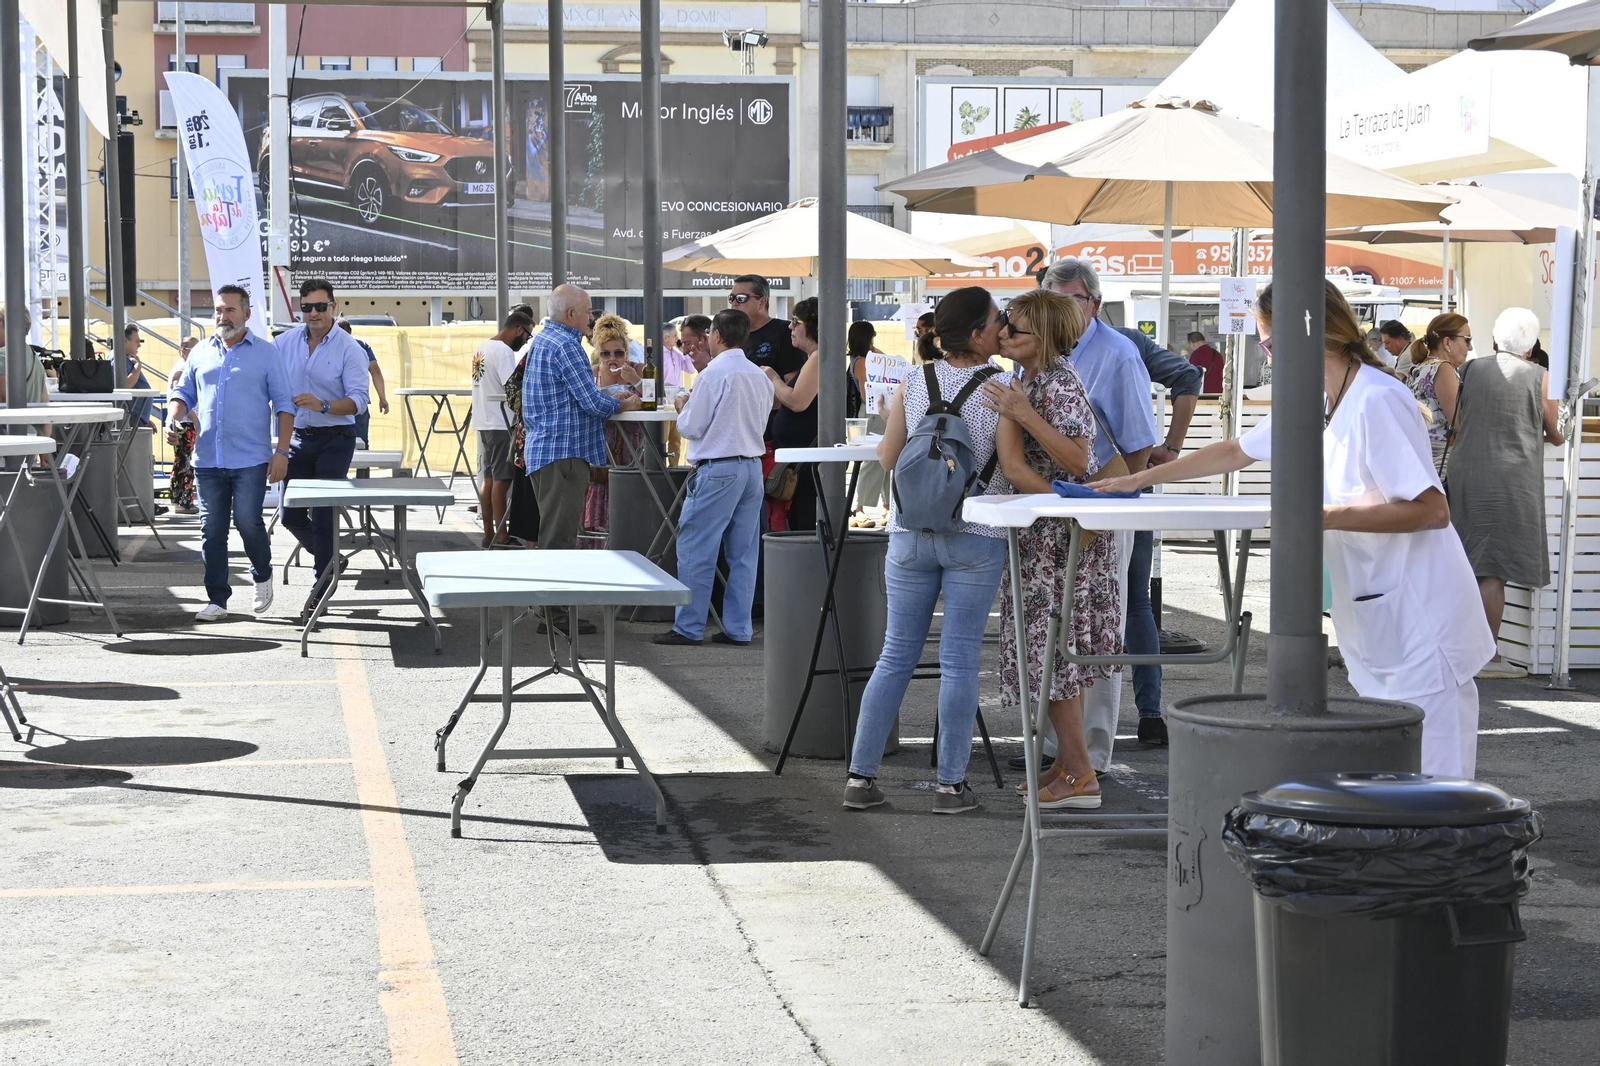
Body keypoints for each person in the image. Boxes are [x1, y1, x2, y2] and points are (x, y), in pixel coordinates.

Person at [1094, 280, 1495, 777]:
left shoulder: (1376, 399)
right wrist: (1138, 479)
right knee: (1398, 781)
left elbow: (1432, 510)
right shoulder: (1316, 400)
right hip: (1374, 612)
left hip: (1421, 619)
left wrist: (1320, 518)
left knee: (1437, 785)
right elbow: (1237, 450)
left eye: (1267, 342)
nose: (1266, 356)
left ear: (1303, 334)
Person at [843, 287, 1012, 815]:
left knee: (895, 656)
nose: (1003, 328)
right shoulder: (1005, 387)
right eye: (996, 321)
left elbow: (889, 457)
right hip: (976, 535)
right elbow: (1010, 464)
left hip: (910, 535)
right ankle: (949, 787)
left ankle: (860, 779)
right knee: (961, 662)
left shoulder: (915, 382)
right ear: (980, 333)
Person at [986, 290, 1120, 808]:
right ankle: (1068, 764)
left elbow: (1079, 460)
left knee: (1055, 658)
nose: (1003, 333)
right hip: (1052, 535)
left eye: (1013, 328)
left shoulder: (1055, 384)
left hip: (1062, 539)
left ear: (1041, 337)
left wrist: (1023, 413)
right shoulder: (1036, 380)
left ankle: (1080, 774)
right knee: (1056, 657)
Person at [1042, 258, 1159, 774]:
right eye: (1052, 299)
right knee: (1060, 624)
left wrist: (1114, 506)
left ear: (1095, 302)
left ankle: (1092, 750)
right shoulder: (1047, 351)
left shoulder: (1117, 353)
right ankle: (1059, 746)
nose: (1061, 310)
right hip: (1054, 509)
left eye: (1070, 300)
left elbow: (1139, 443)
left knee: (1102, 627)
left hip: (1104, 507)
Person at [1447, 307, 1565, 681]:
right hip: (1511, 477)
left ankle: (1463, 646)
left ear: (1495, 339)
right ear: (1530, 347)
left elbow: (1458, 420)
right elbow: (1556, 431)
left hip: (1467, 471)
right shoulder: (1540, 376)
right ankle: (1489, 656)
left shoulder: (1468, 369)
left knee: (1468, 560)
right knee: (1493, 568)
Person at [167, 285, 295, 621]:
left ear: (246, 314)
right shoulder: (200, 352)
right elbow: (184, 392)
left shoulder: (267, 353)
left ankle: (262, 573)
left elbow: (284, 405)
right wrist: (173, 415)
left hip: (250, 458)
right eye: (219, 310)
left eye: (230, 310)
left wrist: (281, 451)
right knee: (212, 530)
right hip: (208, 458)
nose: (223, 317)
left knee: (248, 522)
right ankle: (217, 600)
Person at [653, 308, 772, 647]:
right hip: (751, 466)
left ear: (716, 336)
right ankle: (738, 627)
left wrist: (682, 406)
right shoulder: (758, 374)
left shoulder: (712, 375)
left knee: (696, 549)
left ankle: (689, 627)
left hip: (719, 467)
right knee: (744, 554)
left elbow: (691, 426)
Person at [1110, 324, 1204, 745]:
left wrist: (1172, 447)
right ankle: (1148, 714)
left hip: (1105, 481)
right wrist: (1171, 447)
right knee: (1134, 601)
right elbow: (1188, 376)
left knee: (1127, 601)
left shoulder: (1120, 340)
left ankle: (1138, 715)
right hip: (1128, 477)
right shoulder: (1126, 339)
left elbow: (1188, 376)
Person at [523, 284, 642, 574]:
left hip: (547, 450)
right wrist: (622, 405)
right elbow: (591, 402)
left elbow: (577, 397)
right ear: (572, 312)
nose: (591, 317)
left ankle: (553, 612)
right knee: (559, 541)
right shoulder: (567, 345)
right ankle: (555, 615)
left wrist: (610, 399)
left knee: (555, 536)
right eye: (588, 311)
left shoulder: (544, 339)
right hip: (563, 454)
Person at [276, 278, 372, 612]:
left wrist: (325, 405)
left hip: (336, 439)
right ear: (299, 308)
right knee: (289, 515)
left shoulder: (349, 348)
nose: (314, 313)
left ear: (334, 306)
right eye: (307, 307)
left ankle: (320, 590)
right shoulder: (284, 343)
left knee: (323, 515)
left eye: (320, 306)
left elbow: (360, 401)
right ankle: (331, 561)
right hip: (300, 438)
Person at [471, 310, 535, 547]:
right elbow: (514, 387)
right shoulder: (504, 352)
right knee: (503, 481)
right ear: (519, 329)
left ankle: (490, 532)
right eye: (527, 335)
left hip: (485, 421)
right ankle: (502, 535)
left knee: (489, 480)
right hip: (502, 424)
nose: (526, 341)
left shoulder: (483, 347)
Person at [581, 314, 644, 545]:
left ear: (626, 353)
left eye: (618, 353)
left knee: (628, 492)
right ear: (598, 353)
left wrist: (636, 381)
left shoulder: (639, 369)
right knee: (599, 494)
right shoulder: (593, 373)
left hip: (632, 444)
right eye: (606, 353)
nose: (612, 359)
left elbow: (657, 399)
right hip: (601, 445)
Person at [764, 297, 821, 532]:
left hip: (805, 464)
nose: (790, 327)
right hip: (799, 459)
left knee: (803, 524)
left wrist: (773, 377)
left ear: (813, 325)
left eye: (795, 321)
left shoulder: (819, 357)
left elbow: (798, 402)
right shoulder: (815, 358)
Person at [1405, 313, 1470, 469]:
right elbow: (1459, 423)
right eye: (1467, 340)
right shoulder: (1443, 368)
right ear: (1448, 342)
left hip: (1419, 454)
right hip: (1439, 460)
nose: (1470, 347)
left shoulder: (1419, 367)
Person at [849, 320, 892, 515]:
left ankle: (886, 504)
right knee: (874, 458)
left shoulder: (863, 359)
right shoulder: (861, 361)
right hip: (872, 411)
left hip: (873, 411)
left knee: (883, 457)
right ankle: (861, 505)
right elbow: (868, 392)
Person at [336, 317, 389, 448]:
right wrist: (382, 398)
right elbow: (375, 371)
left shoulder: (327, 347)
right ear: (350, 331)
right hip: (358, 402)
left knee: (334, 445)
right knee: (362, 443)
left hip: (335, 403)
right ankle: (363, 469)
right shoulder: (361, 346)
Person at [167, 336, 201, 514]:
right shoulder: (181, 370)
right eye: (191, 349)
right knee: (185, 463)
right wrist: (195, 419)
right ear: (183, 350)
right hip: (185, 424)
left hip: (186, 423)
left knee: (184, 461)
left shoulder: (184, 368)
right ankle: (183, 500)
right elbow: (180, 397)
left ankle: (181, 499)